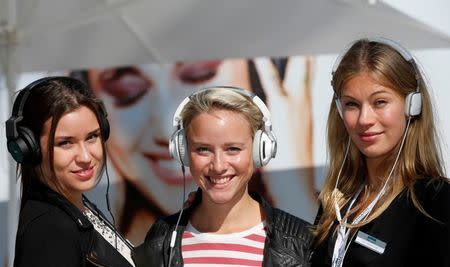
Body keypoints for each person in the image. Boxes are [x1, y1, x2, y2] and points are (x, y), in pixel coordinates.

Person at [71, 57, 318, 244]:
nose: (164, 129)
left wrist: (294, 198)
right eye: (128, 92)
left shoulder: (316, 228)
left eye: (200, 75)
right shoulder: (150, 248)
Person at [132, 86, 314, 266]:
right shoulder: (162, 238)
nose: (218, 166)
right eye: (203, 149)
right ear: (183, 152)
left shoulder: (301, 242)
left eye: (233, 149)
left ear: (260, 150)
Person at [311, 37, 450, 267]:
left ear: (411, 106)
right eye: (352, 104)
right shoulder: (336, 200)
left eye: (380, 102)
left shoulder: (435, 200)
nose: (364, 119)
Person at [6, 77, 134, 266]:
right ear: (29, 148)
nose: (85, 157)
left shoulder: (75, 207)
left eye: (92, 137)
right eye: (65, 143)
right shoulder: (50, 232)